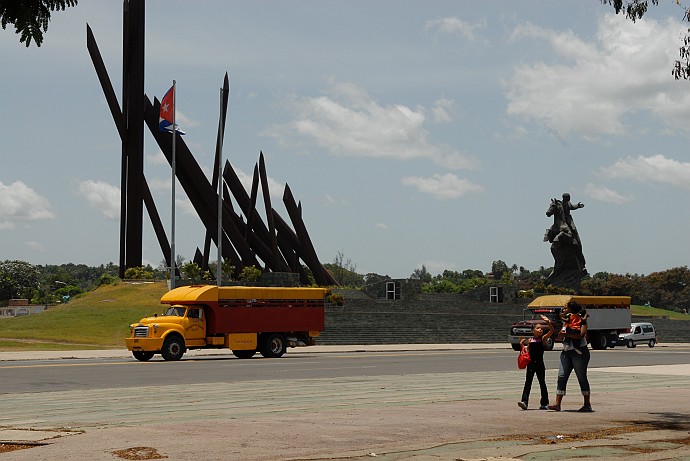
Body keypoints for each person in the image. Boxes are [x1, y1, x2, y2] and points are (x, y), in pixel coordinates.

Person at [548, 301, 593, 412]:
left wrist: (567, 334)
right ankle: (557, 404)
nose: (564, 310)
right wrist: (560, 333)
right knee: (561, 376)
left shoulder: (581, 320)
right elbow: (560, 336)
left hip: (579, 352)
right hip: (566, 352)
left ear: (571, 309)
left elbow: (580, 335)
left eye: (565, 308)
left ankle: (587, 404)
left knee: (581, 377)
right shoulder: (566, 321)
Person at [518, 315, 555, 410]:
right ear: (533, 331)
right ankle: (524, 402)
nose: (540, 330)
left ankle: (544, 403)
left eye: (541, 329)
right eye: (538, 328)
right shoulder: (530, 340)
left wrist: (548, 322)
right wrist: (522, 344)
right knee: (528, 383)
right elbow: (528, 351)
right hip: (531, 364)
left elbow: (552, 331)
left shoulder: (542, 339)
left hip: (539, 364)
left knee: (542, 383)